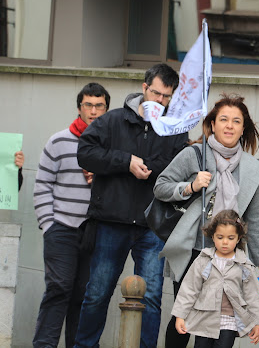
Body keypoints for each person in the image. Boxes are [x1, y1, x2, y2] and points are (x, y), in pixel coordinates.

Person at [74, 64, 188, 348]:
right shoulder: (112, 121)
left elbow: (181, 165)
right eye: (156, 93)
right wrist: (126, 162)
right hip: (111, 221)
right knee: (98, 293)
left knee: (150, 297)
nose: (159, 101)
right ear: (144, 87)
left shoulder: (175, 129)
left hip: (152, 226)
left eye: (166, 97)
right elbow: (85, 153)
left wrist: (149, 167)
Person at [154, 93, 259, 347]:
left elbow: (255, 218)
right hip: (193, 251)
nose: (229, 125)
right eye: (223, 119)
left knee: (219, 326)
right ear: (212, 124)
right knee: (183, 321)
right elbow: (160, 186)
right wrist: (190, 186)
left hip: (228, 258)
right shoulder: (195, 155)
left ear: (243, 129)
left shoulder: (251, 168)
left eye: (236, 121)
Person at [32, 83, 110, 348]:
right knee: (59, 289)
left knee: (85, 296)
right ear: (80, 108)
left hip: (94, 230)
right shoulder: (58, 141)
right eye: (88, 105)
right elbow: (42, 185)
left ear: (106, 110)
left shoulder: (109, 147)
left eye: (99, 106)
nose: (94, 111)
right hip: (61, 228)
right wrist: (48, 225)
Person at [171, 209, 259, 348]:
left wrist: (258, 322)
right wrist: (180, 315)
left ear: (238, 238)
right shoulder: (204, 260)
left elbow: (253, 295)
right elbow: (189, 289)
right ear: (213, 236)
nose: (225, 242)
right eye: (220, 237)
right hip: (204, 318)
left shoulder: (243, 265)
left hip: (230, 320)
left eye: (230, 238)